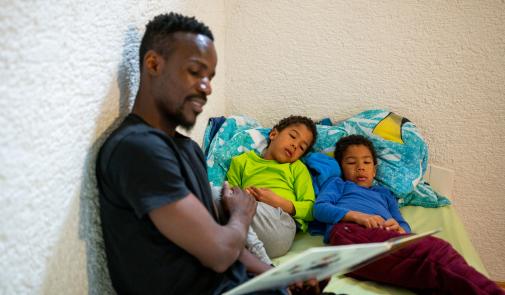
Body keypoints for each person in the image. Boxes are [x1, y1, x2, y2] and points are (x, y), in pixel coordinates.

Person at [96, 13, 293, 295]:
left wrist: (282, 279)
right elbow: (221, 252)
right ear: (153, 64)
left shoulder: (187, 148)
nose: (208, 87)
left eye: (210, 77)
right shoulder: (136, 149)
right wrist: (241, 214)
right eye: (194, 71)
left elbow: (226, 242)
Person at [313, 134, 504, 295]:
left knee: (434, 275)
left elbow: (402, 223)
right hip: (350, 231)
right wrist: (357, 216)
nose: (360, 167)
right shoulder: (339, 184)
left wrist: (399, 229)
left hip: (384, 236)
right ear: (341, 167)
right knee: (436, 253)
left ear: (375, 168)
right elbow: (320, 209)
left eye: (366, 162)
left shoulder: (385, 194)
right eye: (351, 162)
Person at [226, 116, 317, 263]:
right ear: (273, 134)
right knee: (214, 195)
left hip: (279, 225)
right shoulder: (242, 161)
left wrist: (277, 201)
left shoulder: (297, 168)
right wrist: (242, 195)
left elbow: (311, 209)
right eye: (293, 136)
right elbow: (229, 194)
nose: (295, 145)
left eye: (301, 147)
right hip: (243, 217)